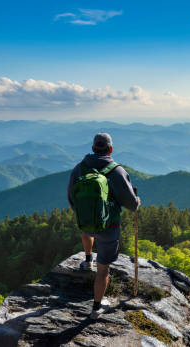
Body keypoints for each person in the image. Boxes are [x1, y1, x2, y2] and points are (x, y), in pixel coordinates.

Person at [67, 132, 140, 318]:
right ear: (110, 149)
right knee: (103, 270)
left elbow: (71, 197)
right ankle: (96, 308)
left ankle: (87, 259)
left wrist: (83, 213)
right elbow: (132, 205)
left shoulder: (79, 169)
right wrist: (137, 200)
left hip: (86, 223)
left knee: (87, 232)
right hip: (109, 227)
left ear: (92, 148)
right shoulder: (117, 171)